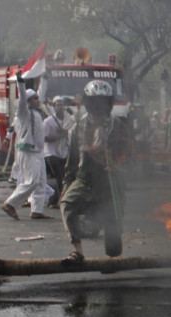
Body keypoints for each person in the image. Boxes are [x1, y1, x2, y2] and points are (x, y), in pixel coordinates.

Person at [59, 79, 131, 265]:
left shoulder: (118, 126)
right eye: (94, 101)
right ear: (88, 103)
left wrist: (117, 166)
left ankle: (106, 230)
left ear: (108, 103)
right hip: (86, 179)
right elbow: (72, 160)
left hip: (110, 181)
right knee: (66, 204)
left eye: (102, 101)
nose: (98, 106)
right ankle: (77, 251)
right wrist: (67, 184)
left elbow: (128, 154)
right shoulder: (78, 127)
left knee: (113, 248)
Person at [1, 69, 52, 220]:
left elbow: (41, 93)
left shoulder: (37, 112)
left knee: (41, 183)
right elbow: (22, 97)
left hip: (38, 152)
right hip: (28, 152)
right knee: (32, 181)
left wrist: (44, 78)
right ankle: (10, 203)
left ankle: (37, 210)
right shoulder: (23, 112)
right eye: (35, 98)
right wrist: (20, 81)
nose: (38, 100)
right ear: (29, 101)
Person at [43, 95, 74, 207]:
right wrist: (60, 136)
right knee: (60, 176)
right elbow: (44, 138)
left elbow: (71, 133)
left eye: (62, 105)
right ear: (54, 107)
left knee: (64, 177)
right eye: (58, 105)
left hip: (64, 152)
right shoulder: (48, 121)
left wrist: (66, 135)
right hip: (51, 153)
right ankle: (61, 200)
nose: (60, 107)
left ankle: (54, 200)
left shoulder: (69, 119)